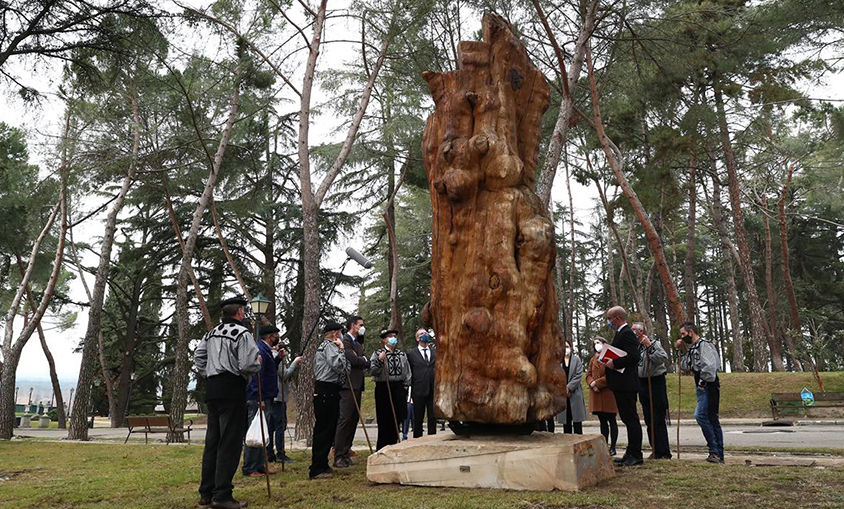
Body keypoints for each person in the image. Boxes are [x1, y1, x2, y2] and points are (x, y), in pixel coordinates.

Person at [195, 296, 259, 509]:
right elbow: (247, 363)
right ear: (240, 312)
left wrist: (210, 374)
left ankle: (207, 491)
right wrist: (256, 364)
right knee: (229, 444)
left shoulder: (210, 334)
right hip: (232, 389)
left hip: (213, 389)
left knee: (212, 442)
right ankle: (222, 495)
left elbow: (199, 357)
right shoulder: (242, 333)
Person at [676, 321, 724, 464]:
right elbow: (685, 367)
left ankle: (715, 451)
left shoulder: (704, 345)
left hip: (708, 384)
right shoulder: (692, 348)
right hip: (699, 384)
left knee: (703, 416)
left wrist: (703, 382)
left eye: (683, 334)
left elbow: (710, 366)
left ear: (691, 332)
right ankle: (716, 453)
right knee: (709, 417)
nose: (682, 337)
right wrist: (680, 350)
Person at [309, 321, 351, 479]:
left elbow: (347, 368)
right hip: (326, 390)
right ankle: (317, 468)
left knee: (328, 430)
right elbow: (340, 366)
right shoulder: (330, 347)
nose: (341, 335)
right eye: (340, 332)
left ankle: (322, 464)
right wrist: (342, 349)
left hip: (331, 390)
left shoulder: (329, 347)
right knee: (324, 430)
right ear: (334, 334)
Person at [604, 306, 643, 466]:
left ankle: (636, 454)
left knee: (631, 419)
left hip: (626, 384)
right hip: (621, 384)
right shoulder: (621, 333)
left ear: (617, 318)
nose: (609, 322)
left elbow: (634, 356)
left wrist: (615, 362)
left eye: (609, 318)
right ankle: (630, 452)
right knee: (627, 419)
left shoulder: (627, 333)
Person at [242, 324, 281, 477]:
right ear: (270, 336)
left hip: (267, 395)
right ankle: (250, 467)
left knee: (263, 432)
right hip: (259, 397)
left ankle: (259, 465)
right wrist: (259, 397)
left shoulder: (267, 351)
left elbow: (269, 371)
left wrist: (278, 359)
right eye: (275, 336)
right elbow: (257, 376)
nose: (277, 339)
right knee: (255, 432)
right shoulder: (260, 350)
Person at [333, 315, 369, 468]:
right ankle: (338, 454)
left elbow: (359, 360)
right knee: (345, 419)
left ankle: (346, 452)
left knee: (353, 420)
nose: (362, 327)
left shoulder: (358, 343)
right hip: (347, 385)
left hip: (357, 384)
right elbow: (353, 360)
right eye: (360, 325)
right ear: (353, 326)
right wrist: (363, 360)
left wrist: (361, 360)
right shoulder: (346, 341)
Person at [633, 322, 672, 460]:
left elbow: (662, 358)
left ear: (642, 331)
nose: (633, 332)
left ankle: (664, 451)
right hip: (642, 383)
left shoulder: (654, 344)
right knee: (649, 419)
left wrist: (649, 346)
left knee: (658, 419)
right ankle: (655, 449)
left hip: (655, 382)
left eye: (635, 330)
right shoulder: (635, 347)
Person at [370, 329, 412, 450]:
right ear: (384, 339)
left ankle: (394, 445)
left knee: (397, 418)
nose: (393, 338)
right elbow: (373, 371)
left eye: (394, 336)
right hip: (384, 387)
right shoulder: (378, 353)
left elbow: (407, 372)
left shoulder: (402, 354)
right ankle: (382, 447)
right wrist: (380, 360)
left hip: (398, 388)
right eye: (390, 336)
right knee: (384, 419)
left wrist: (405, 388)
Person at [268, 335, 301, 463]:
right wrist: (295, 363)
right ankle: (280, 454)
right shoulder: (276, 357)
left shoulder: (267, 354)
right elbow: (284, 374)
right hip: (279, 396)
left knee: (271, 426)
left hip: (272, 396)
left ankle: (269, 453)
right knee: (280, 426)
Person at [586, 337, 618, 456]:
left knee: (612, 421)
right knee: (602, 422)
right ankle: (605, 445)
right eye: (595, 343)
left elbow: (611, 375)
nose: (596, 345)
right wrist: (591, 383)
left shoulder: (609, 357)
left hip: (608, 394)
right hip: (597, 395)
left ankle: (613, 447)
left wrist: (598, 383)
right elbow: (588, 374)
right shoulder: (592, 359)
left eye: (598, 343)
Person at [406, 329, 436, 438]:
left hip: (433, 389)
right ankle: (417, 439)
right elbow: (409, 372)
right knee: (418, 418)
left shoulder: (434, 352)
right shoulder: (411, 354)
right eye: (421, 334)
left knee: (432, 417)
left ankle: (432, 438)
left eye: (426, 333)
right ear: (417, 338)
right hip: (418, 390)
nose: (424, 335)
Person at [560, 340, 586, 434]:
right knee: (566, 421)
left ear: (571, 348)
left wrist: (569, 387)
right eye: (563, 347)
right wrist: (563, 388)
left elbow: (578, 375)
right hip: (562, 394)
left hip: (574, 393)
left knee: (577, 421)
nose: (565, 349)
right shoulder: (558, 361)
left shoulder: (577, 360)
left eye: (567, 346)